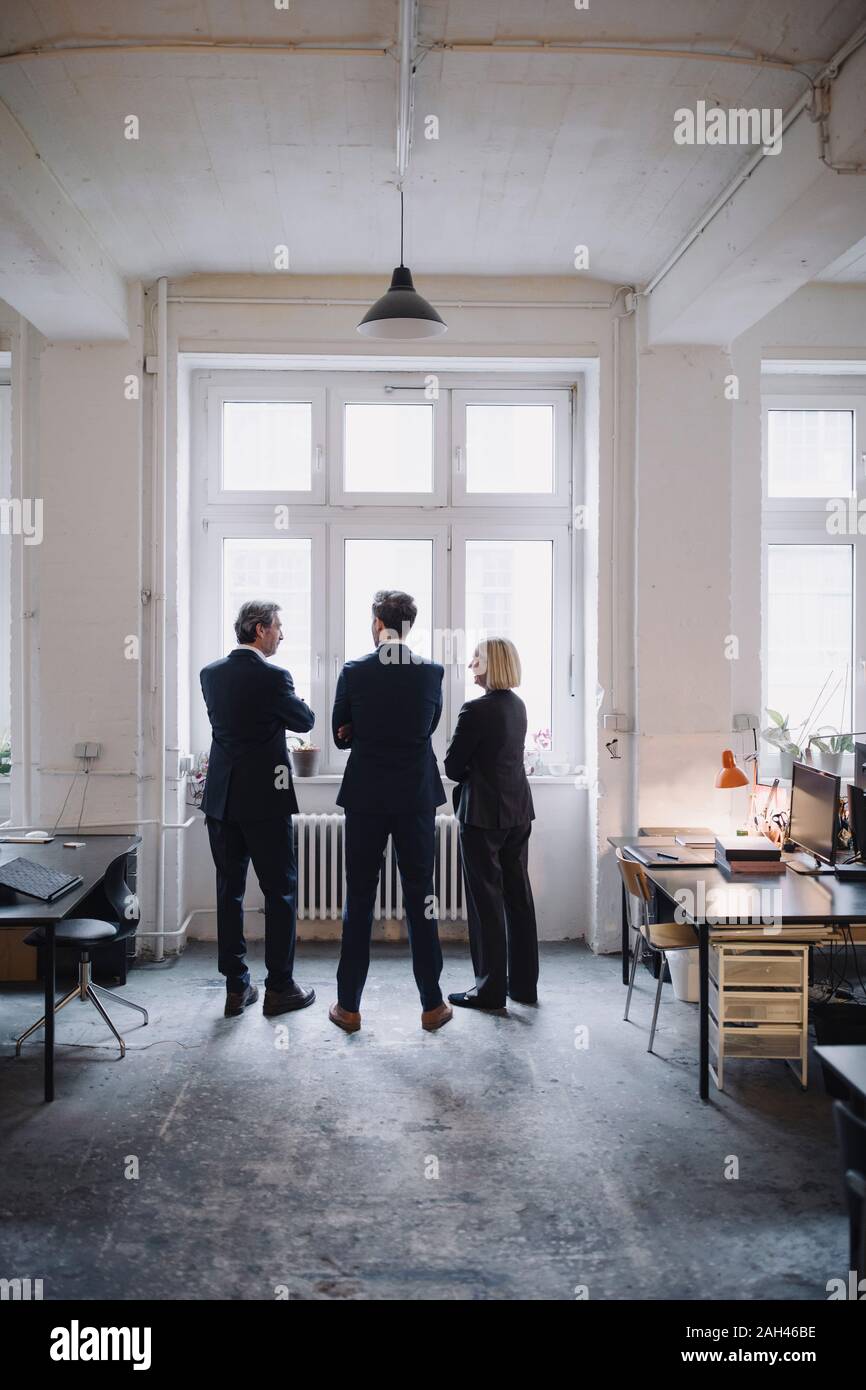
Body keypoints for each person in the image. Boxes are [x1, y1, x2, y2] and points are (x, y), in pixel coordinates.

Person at [329, 590, 452, 1033]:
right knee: (423, 896)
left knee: (359, 896)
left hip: (365, 795)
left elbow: (339, 733)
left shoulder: (355, 670)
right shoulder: (431, 672)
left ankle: (349, 1007)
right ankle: (432, 1005)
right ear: (409, 625)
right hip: (415, 795)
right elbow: (427, 727)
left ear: (378, 622)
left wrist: (355, 731)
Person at [200, 600, 316, 1019]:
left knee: (228, 892)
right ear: (260, 628)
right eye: (279, 627)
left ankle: (236, 989)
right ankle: (280, 988)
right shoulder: (274, 677)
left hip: (222, 800)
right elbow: (304, 721)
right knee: (280, 891)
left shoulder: (210, 675)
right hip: (265, 801)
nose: (282, 634)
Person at [443, 638, 539, 1010]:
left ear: (491, 665)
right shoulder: (518, 706)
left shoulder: (476, 710)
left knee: (485, 902)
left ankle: (489, 990)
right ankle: (524, 986)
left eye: (476, 660)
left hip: (482, 814)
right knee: (519, 899)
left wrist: (472, 772)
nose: (470, 665)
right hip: (517, 811)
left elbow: (452, 767)